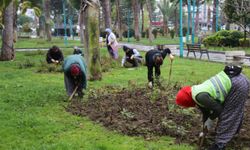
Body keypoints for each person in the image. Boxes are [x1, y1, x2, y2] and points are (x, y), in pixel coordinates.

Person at [175, 65, 250, 150]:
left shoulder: (200, 97)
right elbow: (206, 112)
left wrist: (211, 119)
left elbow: (218, 109)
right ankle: (233, 133)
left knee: (228, 114)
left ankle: (220, 145)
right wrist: (205, 129)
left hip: (238, 84)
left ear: (186, 101)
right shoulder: (195, 92)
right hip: (238, 78)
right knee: (235, 110)